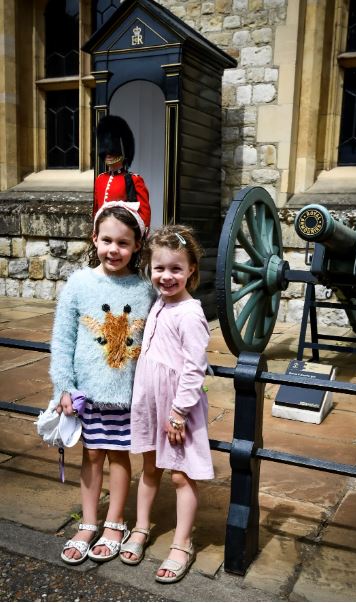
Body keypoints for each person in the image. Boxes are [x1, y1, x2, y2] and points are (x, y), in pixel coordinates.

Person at [52, 206, 154, 564]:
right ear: (94, 239)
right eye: (107, 240)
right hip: (88, 393)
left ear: (137, 245)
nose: (114, 249)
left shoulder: (146, 289)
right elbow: (63, 338)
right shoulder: (79, 283)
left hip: (127, 394)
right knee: (92, 453)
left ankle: (115, 522)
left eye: (123, 243)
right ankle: (89, 522)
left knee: (119, 454)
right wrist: (63, 386)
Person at [121, 225, 213, 583]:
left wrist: (178, 414)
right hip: (150, 401)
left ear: (191, 269)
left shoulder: (190, 314)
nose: (167, 276)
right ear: (150, 268)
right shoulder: (158, 302)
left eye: (176, 269)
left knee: (180, 475)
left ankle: (181, 542)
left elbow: (194, 369)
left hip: (176, 409)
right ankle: (142, 527)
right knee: (148, 466)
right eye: (160, 268)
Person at [93, 116, 151, 239]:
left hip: (122, 233)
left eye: (112, 151)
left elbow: (144, 212)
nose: (108, 155)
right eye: (106, 151)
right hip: (102, 233)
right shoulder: (100, 179)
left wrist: (141, 236)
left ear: (122, 153)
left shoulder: (134, 179)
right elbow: (96, 209)